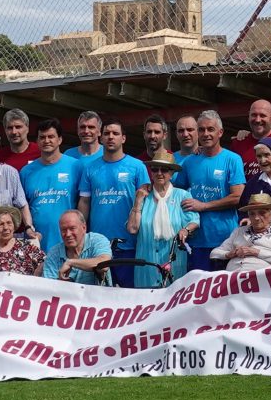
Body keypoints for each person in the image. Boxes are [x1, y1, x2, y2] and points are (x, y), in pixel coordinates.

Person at [80, 120, 151, 286]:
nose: (110, 137)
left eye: (115, 133)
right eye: (106, 133)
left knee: (128, 295)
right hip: (99, 245)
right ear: (101, 137)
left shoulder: (137, 166)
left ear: (124, 138)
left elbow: (145, 203)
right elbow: (84, 202)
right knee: (100, 295)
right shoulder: (90, 168)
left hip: (129, 244)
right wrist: (83, 234)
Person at [179, 110, 248, 271]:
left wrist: (203, 206)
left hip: (226, 239)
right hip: (196, 240)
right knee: (198, 291)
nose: (206, 134)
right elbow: (175, 190)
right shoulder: (189, 162)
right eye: (201, 129)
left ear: (220, 132)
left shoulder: (233, 159)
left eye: (210, 129)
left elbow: (237, 197)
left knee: (224, 291)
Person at [21, 121, 86, 272]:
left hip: (69, 242)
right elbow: (22, 207)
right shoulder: (26, 171)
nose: (46, 141)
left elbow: (84, 202)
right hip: (38, 242)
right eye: (42, 137)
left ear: (60, 140)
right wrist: (29, 229)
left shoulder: (76, 166)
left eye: (51, 136)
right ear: (37, 141)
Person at [128, 152, 193, 286]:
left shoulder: (182, 195)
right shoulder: (144, 197)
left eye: (164, 169)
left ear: (172, 173)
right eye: (155, 169)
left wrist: (185, 230)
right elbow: (132, 229)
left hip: (174, 263)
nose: (159, 173)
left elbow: (194, 221)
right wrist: (138, 201)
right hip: (147, 265)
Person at [213, 192, 271, 272]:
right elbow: (214, 253)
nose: (256, 218)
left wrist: (256, 252)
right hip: (232, 276)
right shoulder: (239, 231)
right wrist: (229, 254)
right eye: (252, 214)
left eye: (262, 213)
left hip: (262, 279)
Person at [0, 205, 45, 275]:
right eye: (1, 224)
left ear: (14, 226)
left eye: (9, 223)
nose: (6, 227)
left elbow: (47, 265)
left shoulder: (27, 246)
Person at [53, 208, 114, 285]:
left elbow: (104, 265)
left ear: (84, 228)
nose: (68, 234)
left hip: (97, 295)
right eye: (64, 230)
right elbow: (48, 287)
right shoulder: (54, 253)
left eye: (72, 228)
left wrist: (71, 262)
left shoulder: (97, 240)